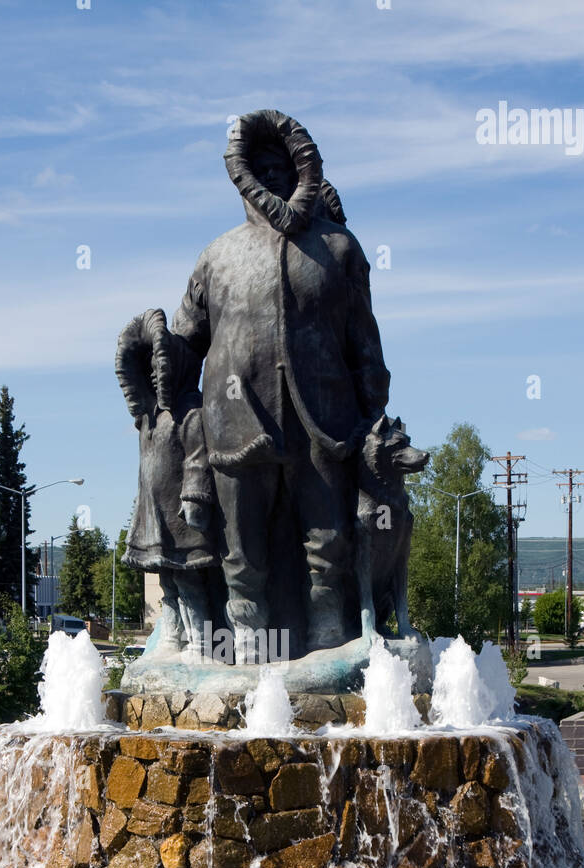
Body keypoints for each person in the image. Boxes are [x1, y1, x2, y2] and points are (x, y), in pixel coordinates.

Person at [171, 109, 392, 662]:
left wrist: (371, 406)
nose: (271, 177)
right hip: (235, 418)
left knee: (329, 534)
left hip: (325, 417)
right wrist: (151, 354)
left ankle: (326, 623)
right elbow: (186, 342)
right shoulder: (217, 256)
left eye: (281, 166)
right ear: (242, 174)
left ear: (301, 171)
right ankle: (246, 628)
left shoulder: (339, 248)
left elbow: (364, 338)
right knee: (239, 540)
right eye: (260, 167)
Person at [115, 308, 220, 661]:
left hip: (181, 516)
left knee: (189, 580)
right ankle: (173, 637)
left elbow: (197, 457)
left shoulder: (190, 410)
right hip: (155, 515)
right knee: (168, 583)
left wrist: (196, 496)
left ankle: (202, 643)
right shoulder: (147, 418)